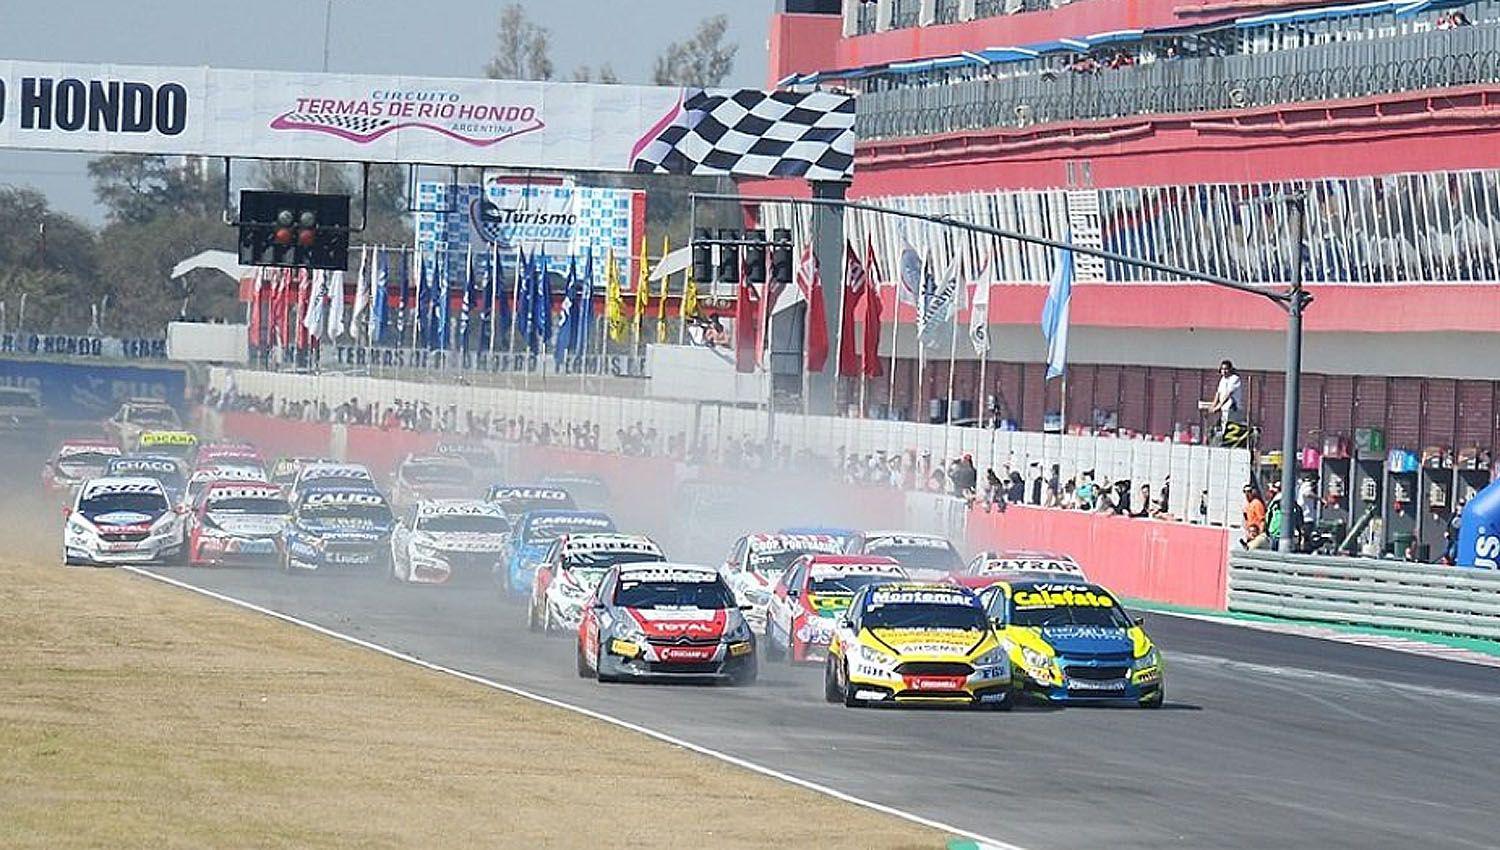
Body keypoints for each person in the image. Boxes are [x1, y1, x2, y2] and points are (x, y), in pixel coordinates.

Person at [1205, 360, 1245, 442]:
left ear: (1230, 369)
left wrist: (1218, 407)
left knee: (1230, 430)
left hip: (1233, 410)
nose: (1224, 371)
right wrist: (1212, 406)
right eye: (1222, 369)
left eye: (1226, 369)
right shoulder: (1222, 379)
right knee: (1223, 428)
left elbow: (1228, 394)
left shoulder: (1235, 379)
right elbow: (1218, 393)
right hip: (1225, 410)